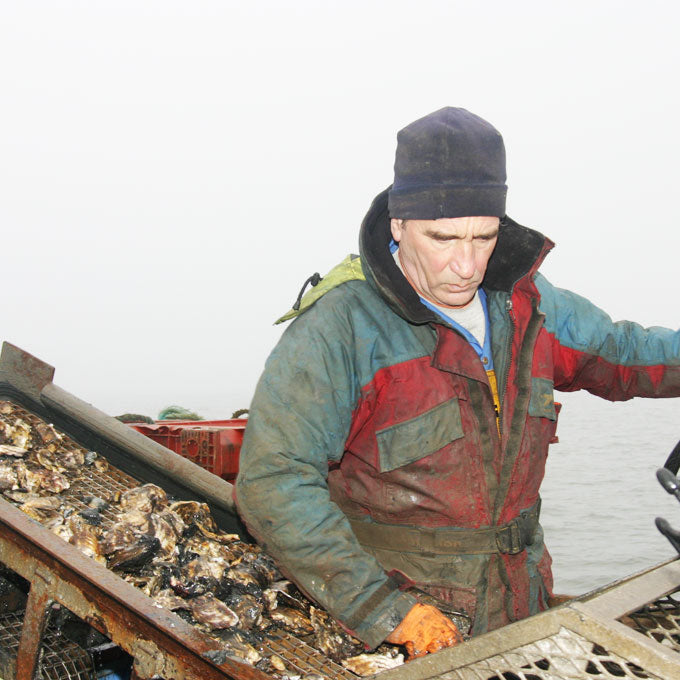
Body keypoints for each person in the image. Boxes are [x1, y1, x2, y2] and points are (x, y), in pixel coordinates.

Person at [235, 107, 680, 658]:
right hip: (406, 623)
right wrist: (379, 606)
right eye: (443, 239)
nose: (466, 265)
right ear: (399, 226)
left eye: (483, 237)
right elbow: (272, 481)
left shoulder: (531, 306)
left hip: (521, 606)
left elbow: (627, 353)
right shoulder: (341, 327)